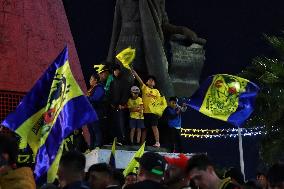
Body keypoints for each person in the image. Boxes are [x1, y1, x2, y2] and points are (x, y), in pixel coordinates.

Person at [107, 0, 206, 97]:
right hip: (125, 49)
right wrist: (109, 60)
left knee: (152, 91)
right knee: (123, 91)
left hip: (150, 51)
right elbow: (116, 27)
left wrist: (182, 30)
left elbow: (164, 25)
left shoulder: (159, 1)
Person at [131, 69, 161, 147]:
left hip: (153, 113)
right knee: (144, 128)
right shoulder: (145, 88)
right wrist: (136, 74)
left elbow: (159, 102)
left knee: (154, 127)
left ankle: (157, 142)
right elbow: (140, 81)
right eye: (149, 80)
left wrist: (159, 112)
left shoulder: (157, 91)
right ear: (147, 82)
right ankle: (142, 144)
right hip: (145, 112)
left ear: (154, 83)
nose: (151, 81)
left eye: (152, 80)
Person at [109, 64, 131, 145]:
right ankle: (116, 139)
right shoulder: (112, 82)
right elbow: (110, 94)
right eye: (115, 70)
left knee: (122, 123)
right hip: (114, 107)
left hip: (122, 107)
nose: (116, 72)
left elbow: (126, 94)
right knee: (115, 123)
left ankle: (122, 140)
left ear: (120, 71)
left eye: (117, 70)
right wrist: (111, 103)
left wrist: (122, 103)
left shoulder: (125, 81)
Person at [87, 73, 105, 149]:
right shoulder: (91, 89)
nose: (90, 81)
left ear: (96, 80)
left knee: (96, 128)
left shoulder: (99, 88)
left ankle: (97, 145)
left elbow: (96, 98)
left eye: (91, 79)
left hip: (97, 111)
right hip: (90, 113)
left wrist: (86, 98)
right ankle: (91, 147)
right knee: (91, 131)